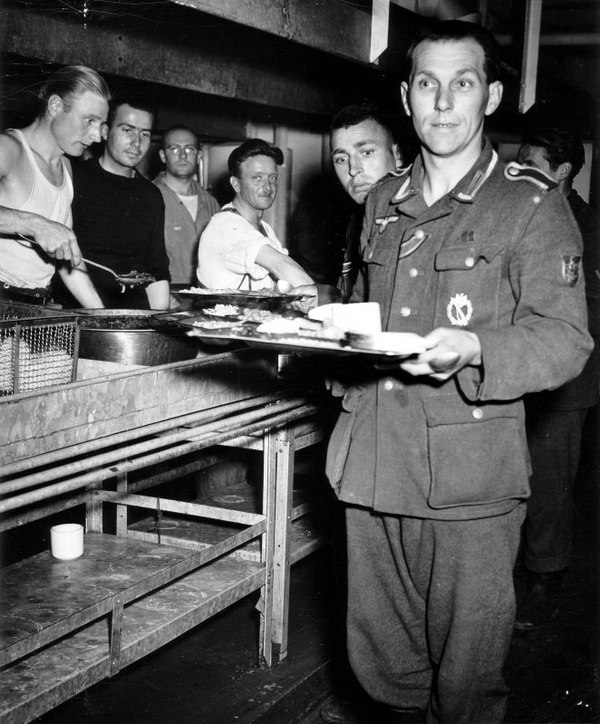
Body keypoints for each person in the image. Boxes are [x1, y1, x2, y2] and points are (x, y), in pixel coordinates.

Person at [322, 20, 592, 724]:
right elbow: (365, 310)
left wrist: (476, 349)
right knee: (382, 672)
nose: (443, 102)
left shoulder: (530, 202)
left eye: (463, 83)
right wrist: (327, 344)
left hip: (467, 483)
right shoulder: (381, 202)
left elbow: (565, 339)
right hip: (374, 467)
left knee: (467, 685)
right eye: (428, 85)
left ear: (491, 96)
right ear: (407, 99)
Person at [512, 127, 600, 628]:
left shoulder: (587, 227)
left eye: (530, 161)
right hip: (519, 373)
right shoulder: (522, 213)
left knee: (548, 486)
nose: (519, 169)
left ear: (562, 170)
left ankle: (545, 579)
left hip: (568, 385)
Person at [0, 65, 108, 307]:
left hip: (32, 309)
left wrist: (103, 317)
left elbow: (66, 259)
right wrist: (34, 224)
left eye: (100, 124)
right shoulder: (9, 148)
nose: (97, 136)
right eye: (89, 120)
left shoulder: (66, 167)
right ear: (56, 106)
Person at [59, 98, 170, 309]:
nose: (137, 142)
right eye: (127, 130)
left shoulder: (151, 194)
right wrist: (102, 316)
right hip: (79, 315)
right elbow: (63, 259)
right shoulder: (74, 178)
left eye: (145, 134)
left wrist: (159, 323)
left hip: (134, 318)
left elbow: (157, 268)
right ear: (104, 131)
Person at [197, 138, 315, 298]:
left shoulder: (265, 228)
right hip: (223, 321)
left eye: (272, 178)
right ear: (236, 184)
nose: (268, 187)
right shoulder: (225, 225)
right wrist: (324, 303)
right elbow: (280, 264)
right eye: (257, 178)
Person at [329, 104, 403, 301]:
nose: (354, 169)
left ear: (397, 155)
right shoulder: (358, 223)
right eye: (341, 159)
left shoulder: (415, 217)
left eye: (367, 152)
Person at [153, 125, 220, 286]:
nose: (183, 155)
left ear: (199, 156)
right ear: (163, 156)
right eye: (174, 149)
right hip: (165, 293)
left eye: (189, 149)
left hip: (205, 293)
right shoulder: (148, 197)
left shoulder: (211, 203)